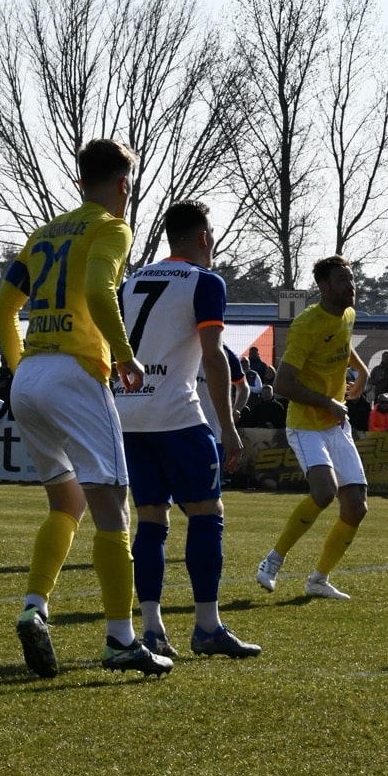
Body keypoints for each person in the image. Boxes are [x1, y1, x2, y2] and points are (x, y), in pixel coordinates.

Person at [0, 138, 172, 677]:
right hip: (74, 373)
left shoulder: (44, 232)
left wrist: (22, 366)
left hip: (30, 377)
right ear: (122, 185)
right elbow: (97, 289)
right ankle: (120, 639)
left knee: (66, 502)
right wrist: (123, 354)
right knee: (114, 504)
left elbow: (2, 310)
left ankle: (34, 606)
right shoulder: (111, 226)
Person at [113, 200, 259, 661]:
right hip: (176, 414)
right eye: (211, 234)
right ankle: (207, 626)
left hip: (129, 414)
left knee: (152, 519)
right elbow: (214, 355)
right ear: (202, 238)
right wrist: (230, 427)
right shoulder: (205, 281)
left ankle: (153, 628)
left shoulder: (132, 282)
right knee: (206, 511)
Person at [255, 255, 370, 601]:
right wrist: (328, 403)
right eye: (342, 280)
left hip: (335, 423)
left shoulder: (347, 314)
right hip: (306, 423)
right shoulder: (306, 325)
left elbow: (342, 344)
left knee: (357, 507)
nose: (350, 286)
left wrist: (362, 371)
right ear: (323, 287)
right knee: (324, 491)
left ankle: (318, 580)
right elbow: (284, 385)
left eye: (351, 279)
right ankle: (273, 560)